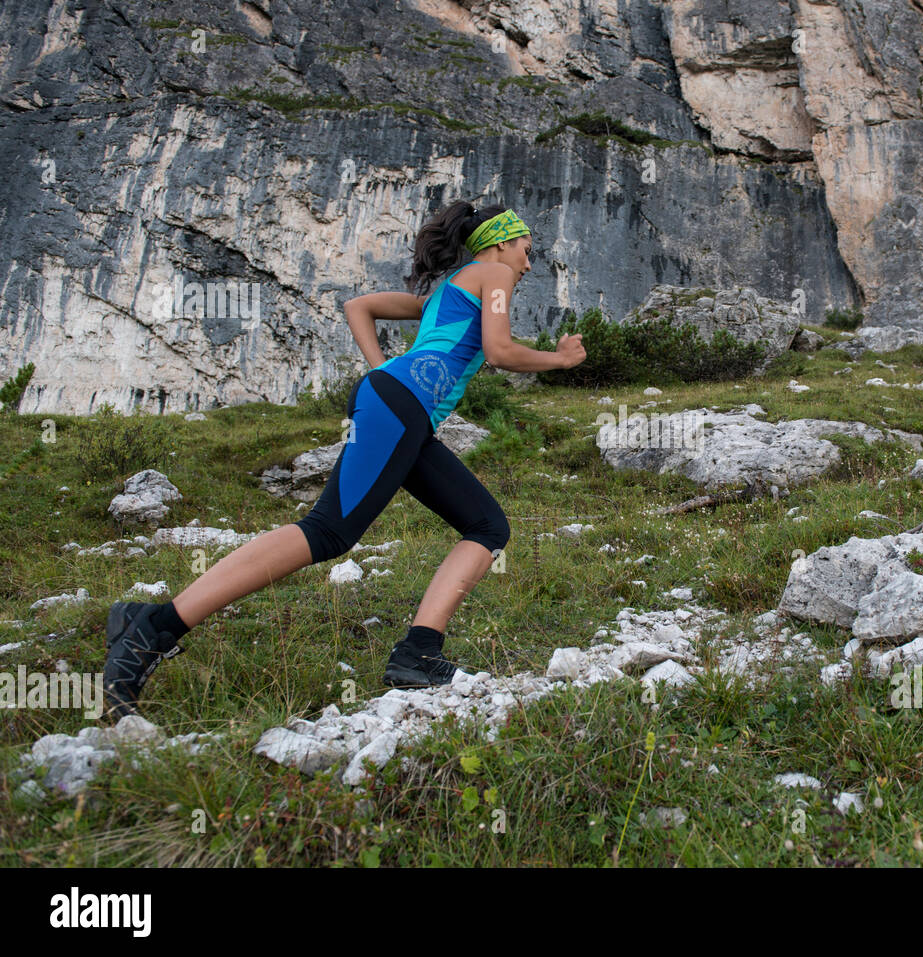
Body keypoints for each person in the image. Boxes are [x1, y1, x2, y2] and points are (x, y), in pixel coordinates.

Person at [102, 202, 587, 721]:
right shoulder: (493, 272)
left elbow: (359, 306)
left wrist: (385, 376)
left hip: (405, 413)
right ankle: (154, 627)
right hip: (399, 407)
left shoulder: (443, 293)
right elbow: (498, 351)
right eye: (527, 251)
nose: (529, 266)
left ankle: (418, 654)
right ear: (502, 242)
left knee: (487, 525)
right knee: (328, 532)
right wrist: (559, 359)